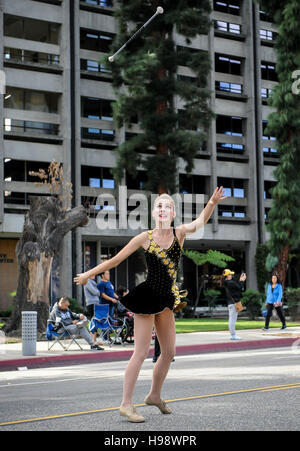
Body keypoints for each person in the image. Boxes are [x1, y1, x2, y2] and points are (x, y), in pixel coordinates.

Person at [74, 187, 226, 423]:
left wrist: (212, 203)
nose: (163, 209)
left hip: (166, 300)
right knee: (141, 351)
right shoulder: (144, 238)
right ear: (154, 213)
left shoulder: (179, 233)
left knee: (169, 353)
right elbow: (115, 260)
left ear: (173, 213)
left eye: (167, 206)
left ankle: (154, 395)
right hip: (146, 298)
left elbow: (199, 222)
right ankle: (126, 404)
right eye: (159, 206)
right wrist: (88, 274)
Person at [222, 269, 246, 340]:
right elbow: (239, 287)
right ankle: (233, 335)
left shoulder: (228, 282)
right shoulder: (230, 283)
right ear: (227, 276)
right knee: (232, 320)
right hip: (233, 303)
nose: (231, 275)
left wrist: (241, 280)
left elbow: (237, 286)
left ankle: (233, 334)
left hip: (231, 303)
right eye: (230, 274)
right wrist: (242, 280)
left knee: (232, 319)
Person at [83, 274, 102, 344]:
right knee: (94, 321)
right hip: (91, 303)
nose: (94, 275)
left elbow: (96, 292)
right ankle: (93, 340)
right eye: (92, 274)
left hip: (95, 303)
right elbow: (95, 292)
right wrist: (98, 292)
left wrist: (98, 292)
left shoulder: (93, 282)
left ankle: (93, 339)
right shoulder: (87, 282)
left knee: (95, 321)